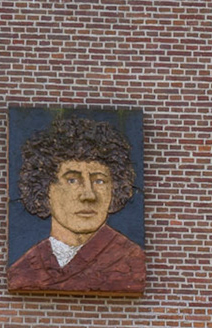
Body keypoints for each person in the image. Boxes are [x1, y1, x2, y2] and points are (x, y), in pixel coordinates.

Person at [8, 117, 146, 295]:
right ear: (44, 187)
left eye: (100, 181)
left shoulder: (132, 262)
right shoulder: (22, 270)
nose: (88, 195)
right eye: (72, 180)